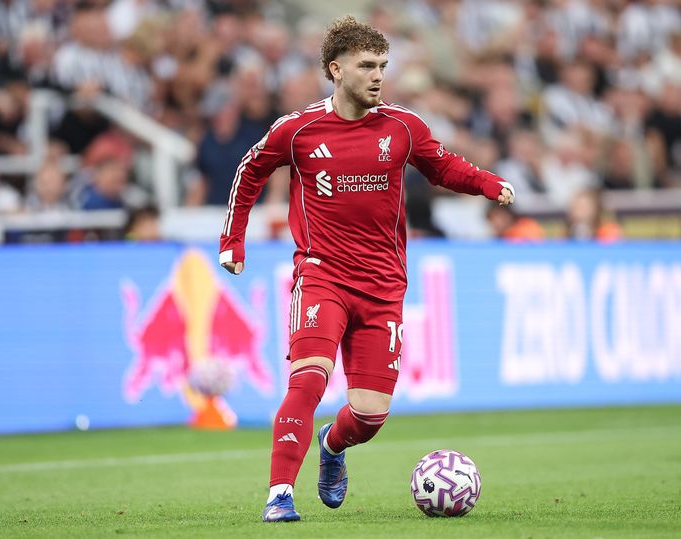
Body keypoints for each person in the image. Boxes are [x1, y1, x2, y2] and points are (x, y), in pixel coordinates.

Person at [217, 16, 515, 523]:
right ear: (336, 69)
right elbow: (250, 171)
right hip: (322, 276)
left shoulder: (401, 127)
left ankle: (332, 448)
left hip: (383, 287)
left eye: (382, 65)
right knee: (307, 381)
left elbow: (442, 165)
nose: (378, 75)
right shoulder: (300, 130)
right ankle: (279, 494)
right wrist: (233, 238)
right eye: (366, 66)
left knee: (371, 415)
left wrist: (488, 183)